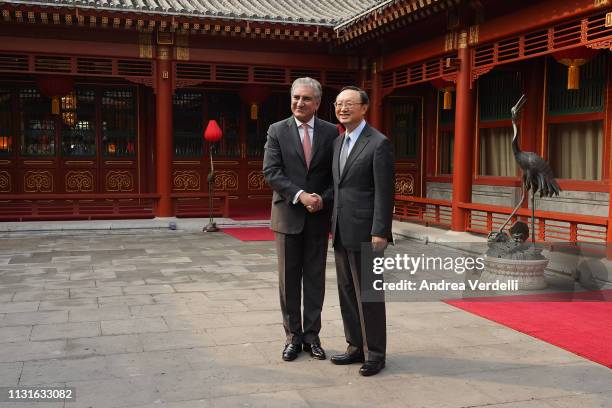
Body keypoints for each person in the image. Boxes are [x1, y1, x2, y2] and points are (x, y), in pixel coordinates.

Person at [263, 77, 338, 362]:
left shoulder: (332, 132)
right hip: (288, 216)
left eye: (306, 98)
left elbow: (337, 174)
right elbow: (271, 172)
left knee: (316, 280)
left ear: (317, 103)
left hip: (318, 218)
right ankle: (292, 336)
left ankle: (312, 336)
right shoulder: (276, 131)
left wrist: (322, 199)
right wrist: (301, 195)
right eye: (296, 97)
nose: (299, 103)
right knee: (289, 281)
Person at [330, 86, 394, 376]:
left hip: (368, 231)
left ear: (364, 108)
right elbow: (339, 186)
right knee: (346, 291)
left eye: (349, 104)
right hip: (341, 230)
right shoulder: (337, 142)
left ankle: (376, 354)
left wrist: (380, 231)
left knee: (368, 294)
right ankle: (355, 346)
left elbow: (385, 191)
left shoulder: (378, 143)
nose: (343, 108)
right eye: (339, 104)